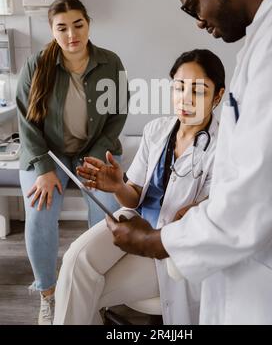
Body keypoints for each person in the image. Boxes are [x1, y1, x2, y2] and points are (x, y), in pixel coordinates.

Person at [105, 0, 272, 325]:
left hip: (269, 270)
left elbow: (257, 194)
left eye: (193, 6)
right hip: (230, 256)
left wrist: (157, 241)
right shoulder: (267, 34)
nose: (197, 22)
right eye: (178, 88)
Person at [53, 49, 225, 325]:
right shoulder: (156, 130)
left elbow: (213, 213)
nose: (186, 99)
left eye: (199, 91)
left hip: (170, 244)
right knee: (75, 262)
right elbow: (134, 197)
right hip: (135, 221)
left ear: (218, 96)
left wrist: (196, 209)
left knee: (87, 289)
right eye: (179, 88)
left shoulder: (224, 147)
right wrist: (118, 185)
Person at [16, 0, 128, 325]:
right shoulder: (37, 65)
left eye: (77, 25)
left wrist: (95, 158)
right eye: (61, 28)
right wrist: (44, 169)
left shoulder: (110, 63)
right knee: (39, 213)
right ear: (52, 31)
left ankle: (98, 289)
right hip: (46, 153)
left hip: (94, 149)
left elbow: (117, 114)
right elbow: (26, 122)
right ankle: (48, 294)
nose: (71, 34)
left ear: (88, 23)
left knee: (107, 211)